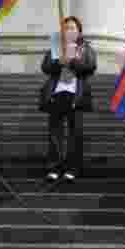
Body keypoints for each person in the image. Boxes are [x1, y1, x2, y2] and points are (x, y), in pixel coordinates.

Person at [38, 16, 97, 182]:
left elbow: (91, 66)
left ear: (79, 31)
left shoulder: (85, 48)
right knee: (54, 133)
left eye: (72, 27)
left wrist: (72, 62)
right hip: (57, 93)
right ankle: (54, 167)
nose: (69, 30)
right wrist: (59, 62)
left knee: (75, 133)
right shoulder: (56, 47)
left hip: (76, 95)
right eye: (66, 28)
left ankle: (72, 167)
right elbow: (45, 67)